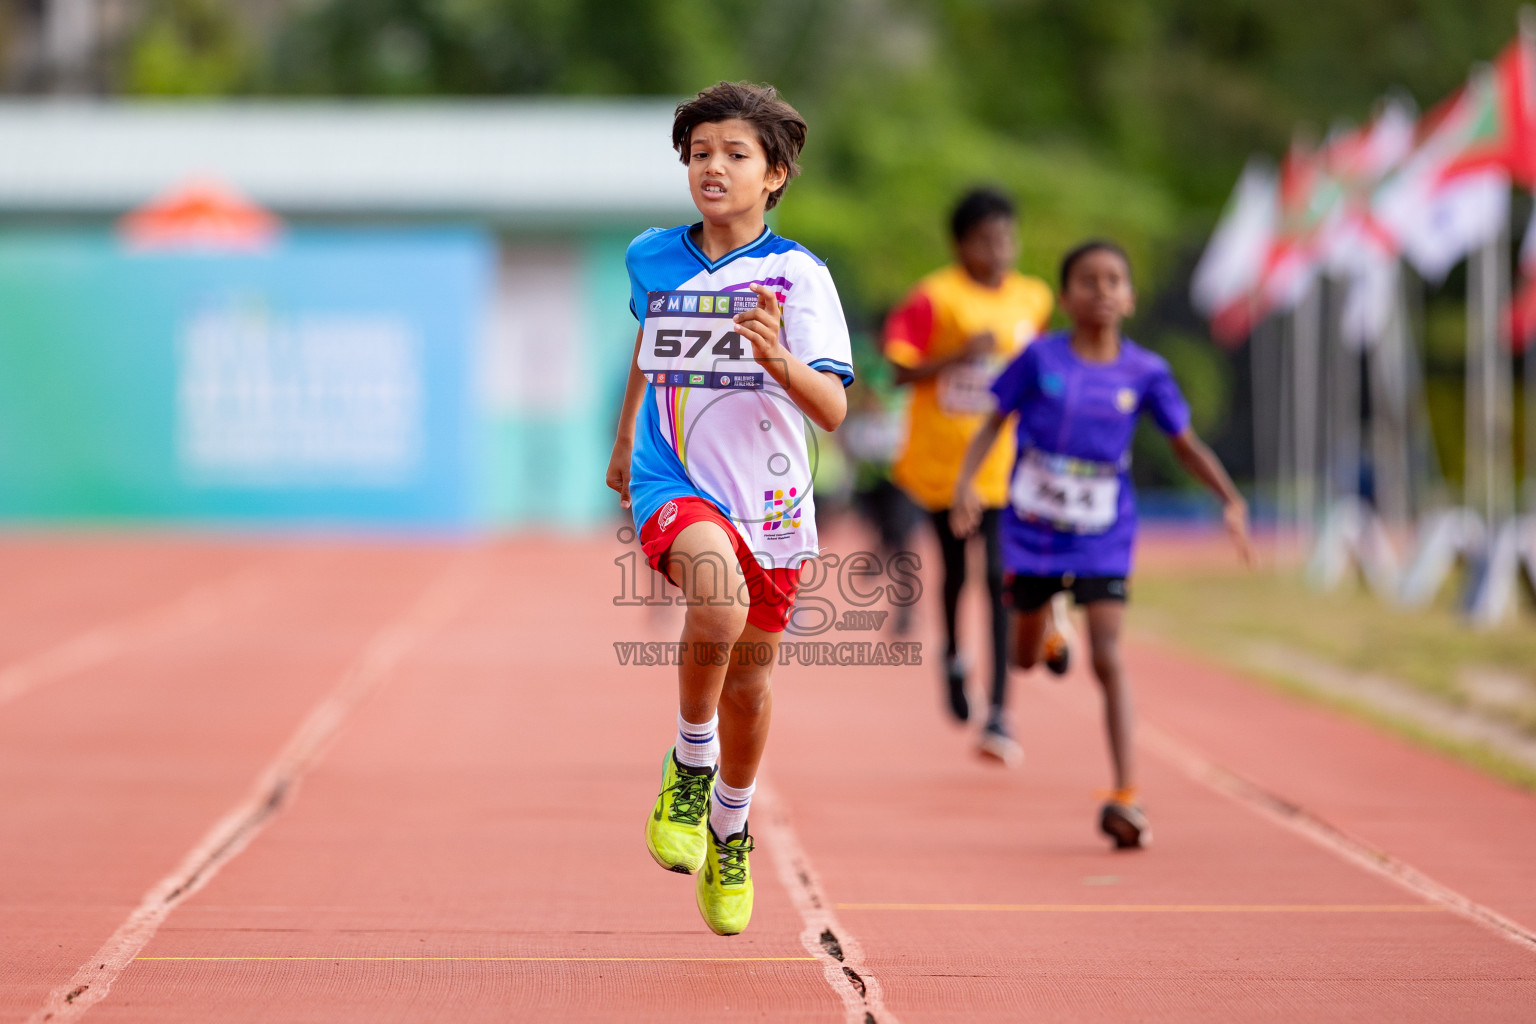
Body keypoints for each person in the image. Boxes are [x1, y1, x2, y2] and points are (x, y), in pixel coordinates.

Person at [606, 82, 852, 935]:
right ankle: (689, 764)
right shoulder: (651, 256)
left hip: (772, 500)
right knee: (716, 599)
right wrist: (622, 440)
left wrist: (781, 359)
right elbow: (649, 344)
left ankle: (731, 824)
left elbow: (832, 409)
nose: (714, 167)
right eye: (700, 152)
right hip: (672, 478)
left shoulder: (800, 277)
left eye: (735, 154)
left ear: (775, 175)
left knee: (750, 680)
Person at [951, 239, 1252, 850]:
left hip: (1103, 534)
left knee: (1108, 655)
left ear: (1131, 297)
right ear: (1065, 297)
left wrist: (1229, 496)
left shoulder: (1145, 372)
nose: (1103, 291)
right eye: (1088, 281)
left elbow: (1184, 442)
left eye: (1115, 280)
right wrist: (965, 486)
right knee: (1025, 659)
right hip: (1032, 531)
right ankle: (1051, 623)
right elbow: (991, 424)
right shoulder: (1038, 360)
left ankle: (1126, 795)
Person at [883, 188, 1069, 764]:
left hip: (1006, 467)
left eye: (1007, 239)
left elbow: (1038, 369)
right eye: (987, 241)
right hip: (942, 467)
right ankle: (954, 659)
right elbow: (897, 371)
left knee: (998, 579)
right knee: (955, 574)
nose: (1000, 250)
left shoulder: (1032, 299)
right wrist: (958, 356)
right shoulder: (933, 299)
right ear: (961, 244)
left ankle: (1000, 715)